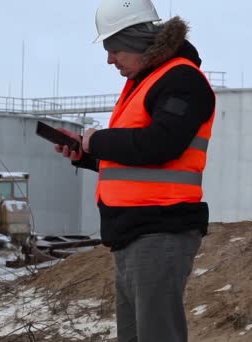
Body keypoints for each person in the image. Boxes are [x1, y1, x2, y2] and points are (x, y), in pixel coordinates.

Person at [54, 0, 216, 341]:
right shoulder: (145, 83)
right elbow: (135, 157)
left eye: (114, 49)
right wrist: (83, 153)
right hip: (133, 233)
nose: (110, 59)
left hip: (160, 230)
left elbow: (160, 144)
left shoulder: (182, 80)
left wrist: (96, 141)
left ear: (138, 39)